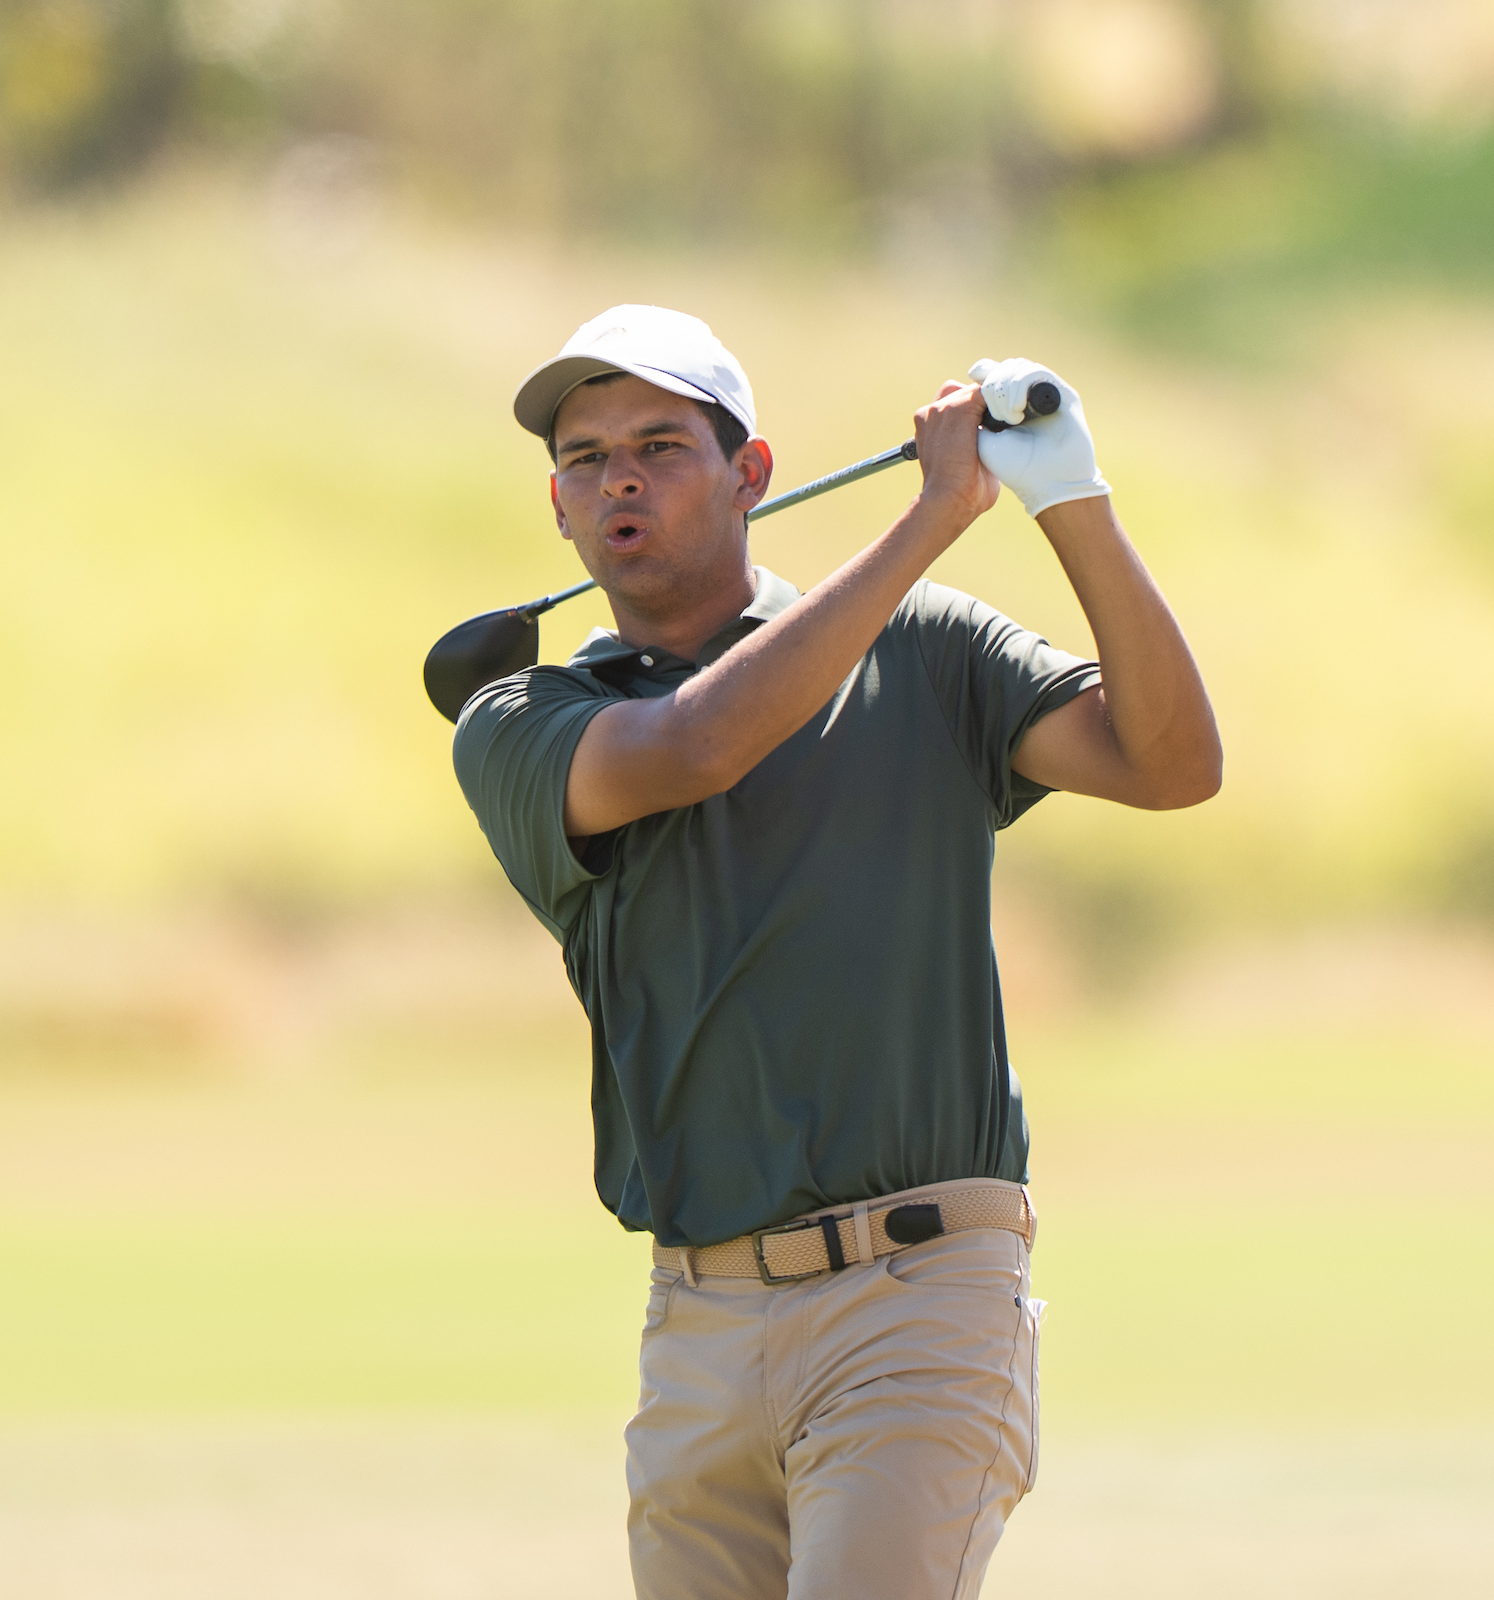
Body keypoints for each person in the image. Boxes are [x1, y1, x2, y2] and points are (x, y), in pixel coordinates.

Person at [451, 305, 1221, 1599]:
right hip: (696, 1324)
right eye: (585, 459)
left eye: (660, 443)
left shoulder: (930, 651)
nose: (618, 477)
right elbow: (698, 748)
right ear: (558, 509)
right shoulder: (523, 717)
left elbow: (1171, 764)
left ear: (753, 475)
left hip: (921, 1296)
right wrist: (930, 518)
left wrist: (1068, 500)